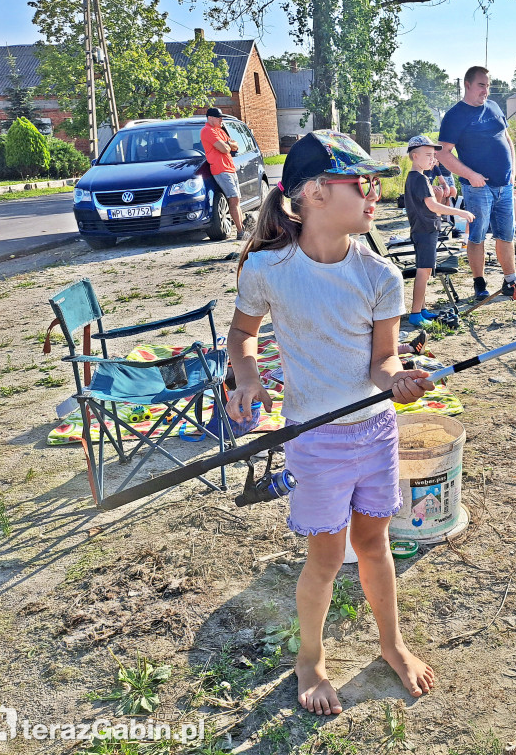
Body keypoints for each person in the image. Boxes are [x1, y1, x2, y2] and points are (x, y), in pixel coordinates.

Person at [226, 130, 436, 715]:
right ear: (315, 193)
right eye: (360, 184)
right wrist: (247, 378)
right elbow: (242, 335)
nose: (374, 196)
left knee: (375, 545)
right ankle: (311, 663)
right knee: (325, 558)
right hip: (315, 441)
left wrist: (399, 380)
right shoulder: (270, 269)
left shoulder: (380, 276)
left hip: (375, 433)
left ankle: (392, 644)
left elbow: (381, 362)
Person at [438, 66, 516, 301]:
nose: (486, 90)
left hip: (505, 186)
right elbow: (443, 153)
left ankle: (511, 283)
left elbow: (507, 139)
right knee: (478, 235)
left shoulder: (493, 107)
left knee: (507, 234)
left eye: (488, 85)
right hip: (477, 188)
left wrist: (512, 170)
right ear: (468, 84)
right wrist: (471, 175)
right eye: (481, 85)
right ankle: (479, 283)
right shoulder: (454, 115)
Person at [404, 135, 475, 326]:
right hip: (425, 231)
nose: (432, 159)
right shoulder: (418, 179)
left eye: (433, 155)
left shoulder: (419, 177)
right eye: (427, 155)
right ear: (414, 156)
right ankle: (415, 314)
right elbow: (434, 207)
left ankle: (423, 309)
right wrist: (460, 212)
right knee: (423, 272)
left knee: (425, 273)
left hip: (425, 230)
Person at [200, 107, 246, 241]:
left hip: (230, 167)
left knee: (237, 199)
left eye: (221, 117)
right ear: (210, 118)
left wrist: (228, 145)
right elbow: (225, 148)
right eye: (218, 117)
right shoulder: (207, 131)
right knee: (233, 199)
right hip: (221, 169)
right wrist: (228, 145)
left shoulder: (219, 131)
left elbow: (235, 146)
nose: (221, 120)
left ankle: (242, 228)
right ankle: (240, 231)